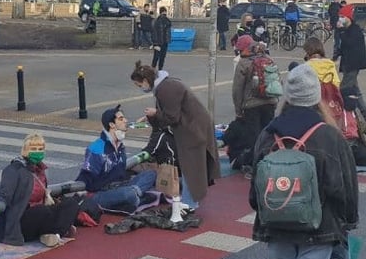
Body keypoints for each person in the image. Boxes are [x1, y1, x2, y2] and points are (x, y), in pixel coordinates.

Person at [250, 63, 359, 259]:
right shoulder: (328, 135)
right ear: (316, 98)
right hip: (319, 228)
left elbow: (255, 184)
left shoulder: (269, 133)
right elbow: (345, 187)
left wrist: (264, 210)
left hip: (276, 224)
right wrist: (348, 223)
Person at [131, 61, 220, 222]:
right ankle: (190, 202)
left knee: (190, 167)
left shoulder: (165, 89)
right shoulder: (167, 85)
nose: (141, 88)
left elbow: (171, 117)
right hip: (195, 127)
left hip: (192, 130)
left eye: (139, 85)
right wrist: (154, 115)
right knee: (192, 167)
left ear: (145, 80)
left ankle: (189, 203)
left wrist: (155, 113)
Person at [0, 133, 80, 247]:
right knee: (42, 211)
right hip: (22, 220)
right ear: (25, 149)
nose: (37, 152)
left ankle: (54, 234)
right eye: (33, 148)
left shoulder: (41, 170)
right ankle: (56, 230)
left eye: (40, 149)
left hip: (42, 214)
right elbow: (3, 195)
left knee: (71, 204)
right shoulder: (14, 170)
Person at [75, 105, 157, 213]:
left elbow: (122, 173)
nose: (125, 121)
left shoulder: (120, 146)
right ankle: (135, 197)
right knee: (128, 194)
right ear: (112, 124)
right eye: (121, 119)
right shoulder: (96, 148)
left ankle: (134, 197)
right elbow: (86, 175)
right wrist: (79, 192)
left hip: (121, 186)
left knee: (150, 174)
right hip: (102, 192)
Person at [232, 34, 279, 136]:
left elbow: (237, 89)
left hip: (251, 105)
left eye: (240, 50)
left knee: (253, 138)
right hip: (269, 103)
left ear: (246, 48)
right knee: (267, 136)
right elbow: (277, 81)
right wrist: (275, 101)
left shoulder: (243, 63)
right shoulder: (268, 59)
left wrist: (238, 111)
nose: (240, 53)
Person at [333, 13, 366, 122]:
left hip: (353, 64)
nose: (340, 19)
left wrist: (340, 31)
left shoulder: (355, 30)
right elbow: (342, 47)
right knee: (355, 88)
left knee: (344, 88)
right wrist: (336, 56)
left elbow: (348, 43)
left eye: (342, 16)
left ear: (348, 18)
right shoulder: (347, 30)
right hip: (347, 63)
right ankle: (364, 113)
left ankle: (345, 113)